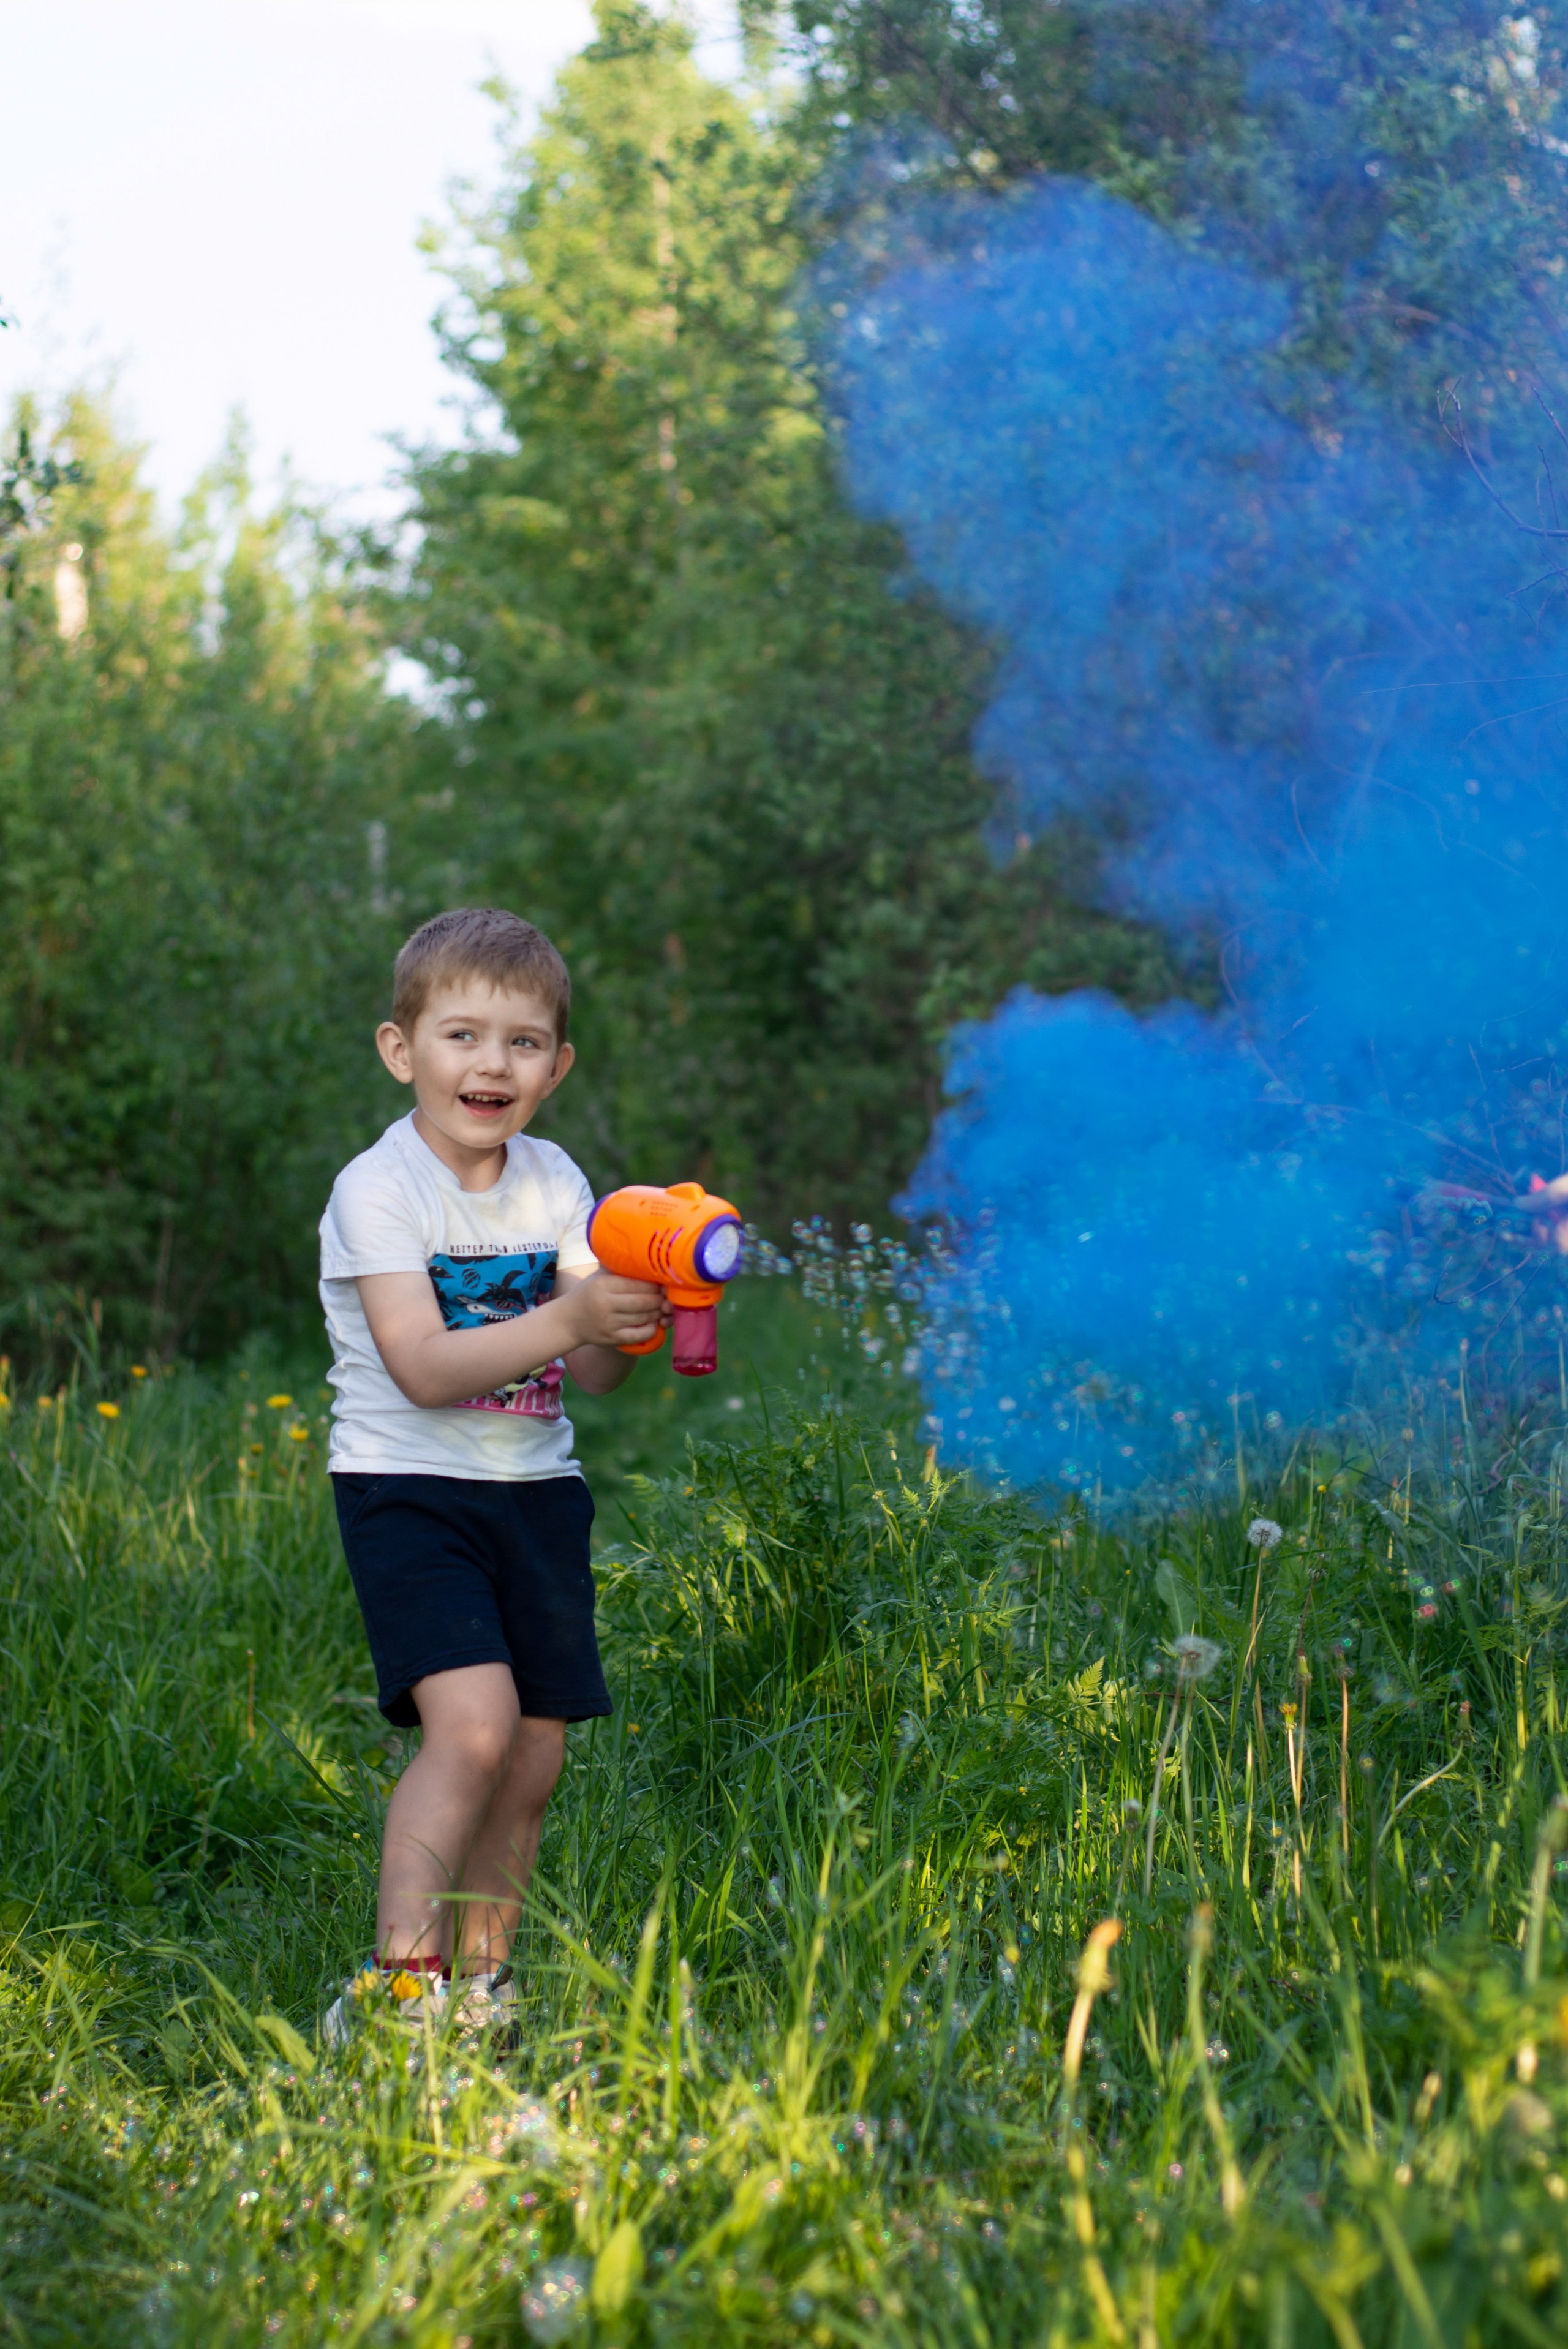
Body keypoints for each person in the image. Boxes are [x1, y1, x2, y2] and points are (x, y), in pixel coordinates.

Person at [317, 907, 665, 2044]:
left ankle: (482, 1986)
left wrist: (631, 1309)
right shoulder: (381, 1189)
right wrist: (567, 1312)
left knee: (531, 1750)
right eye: (462, 1035)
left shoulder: (559, 1179)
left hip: (537, 1490)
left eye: (523, 1043)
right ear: (400, 1048)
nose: (491, 1064)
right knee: (469, 1727)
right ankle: (400, 1989)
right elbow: (420, 1368)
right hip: (407, 1486)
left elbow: (599, 1373)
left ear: (556, 1068)